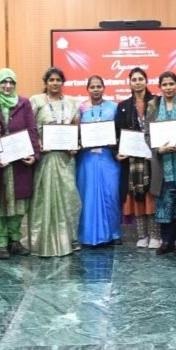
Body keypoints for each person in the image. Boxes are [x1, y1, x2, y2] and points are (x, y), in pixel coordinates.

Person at [0, 68, 40, 259]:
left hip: (19, 164)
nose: (7, 86)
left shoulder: (23, 103)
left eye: (11, 83)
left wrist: (34, 155)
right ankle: (0, 243)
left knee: (18, 203)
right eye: (4, 82)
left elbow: (32, 130)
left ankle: (15, 240)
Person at [28, 67, 82, 257]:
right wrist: (38, 144)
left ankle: (69, 239)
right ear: (46, 82)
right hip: (45, 158)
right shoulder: (36, 101)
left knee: (69, 197)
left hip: (66, 159)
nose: (55, 83)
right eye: (51, 80)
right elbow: (30, 128)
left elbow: (76, 129)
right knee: (44, 199)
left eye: (58, 80)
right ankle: (41, 242)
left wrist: (75, 145)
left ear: (63, 82)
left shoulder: (72, 103)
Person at [147, 71, 176, 256]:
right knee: (165, 202)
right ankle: (167, 241)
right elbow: (147, 133)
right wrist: (159, 150)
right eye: (164, 84)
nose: (168, 88)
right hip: (162, 162)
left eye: (171, 84)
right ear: (160, 87)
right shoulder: (153, 106)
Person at [115, 67, 160, 248]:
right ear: (130, 83)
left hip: (153, 157)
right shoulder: (123, 106)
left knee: (152, 194)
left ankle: (155, 235)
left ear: (146, 81)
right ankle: (142, 236)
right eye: (134, 79)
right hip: (133, 160)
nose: (138, 82)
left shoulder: (156, 102)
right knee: (136, 195)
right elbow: (118, 133)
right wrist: (118, 152)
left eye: (141, 79)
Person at [77, 76, 121, 246]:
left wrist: (116, 144)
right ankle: (87, 236)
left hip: (108, 157)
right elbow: (75, 132)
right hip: (87, 159)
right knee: (87, 196)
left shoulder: (114, 107)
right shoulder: (81, 108)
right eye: (92, 87)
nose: (96, 89)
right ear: (87, 89)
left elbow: (119, 132)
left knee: (111, 195)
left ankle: (114, 233)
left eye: (98, 86)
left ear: (104, 88)